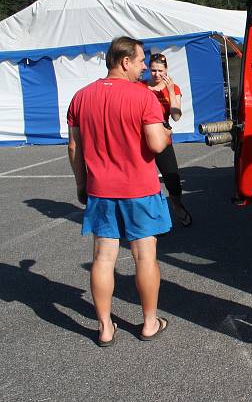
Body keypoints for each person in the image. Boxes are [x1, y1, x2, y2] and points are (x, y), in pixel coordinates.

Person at [67, 36, 173, 346]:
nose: (144, 68)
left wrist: (81, 184)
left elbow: (75, 146)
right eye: (141, 62)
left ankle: (104, 327)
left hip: (101, 189)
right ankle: (150, 323)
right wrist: (166, 132)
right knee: (145, 257)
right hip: (139, 188)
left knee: (103, 258)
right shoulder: (143, 97)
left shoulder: (81, 97)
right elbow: (156, 143)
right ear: (124, 61)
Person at [143, 53, 192, 227]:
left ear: (166, 70)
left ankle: (176, 205)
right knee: (145, 183)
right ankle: (153, 218)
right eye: (153, 70)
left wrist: (170, 90)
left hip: (162, 139)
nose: (156, 74)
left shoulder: (173, 88)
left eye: (160, 71)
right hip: (141, 140)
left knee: (173, 180)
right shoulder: (140, 86)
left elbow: (176, 116)